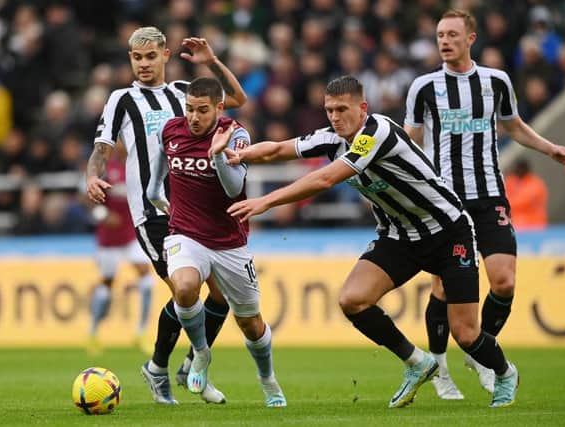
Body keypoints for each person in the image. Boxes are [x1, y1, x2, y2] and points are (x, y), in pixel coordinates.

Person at [222, 75, 518, 408]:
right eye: (329, 110)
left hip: (449, 233)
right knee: (352, 300)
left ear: (362, 108)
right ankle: (417, 362)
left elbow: (327, 178)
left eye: (342, 109)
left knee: (465, 333)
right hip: (401, 235)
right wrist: (240, 155)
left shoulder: (376, 133)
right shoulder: (330, 137)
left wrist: (266, 201)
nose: (334, 117)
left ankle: (505, 373)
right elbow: (278, 149)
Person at [403, 9, 565, 399]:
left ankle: (482, 354)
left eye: (452, 34)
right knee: (443, 289)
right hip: (445, 203)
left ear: (471, 38)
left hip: (489, 196)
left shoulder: (496, 81)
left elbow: (512, 125)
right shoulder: (424, 87)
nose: (444, 41)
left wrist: (550, 149)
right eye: (439, 35)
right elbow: (410, 140)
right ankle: (441, 370)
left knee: (504, 281)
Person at [85, 26, 247, 405]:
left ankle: (186, 364)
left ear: (165, 55)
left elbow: (237, 98)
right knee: (184, 289)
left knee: (223, 296)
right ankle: (162, 369)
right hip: (152, 213)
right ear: (131, 60)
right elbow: (102, 147)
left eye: (150, 56)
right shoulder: (121, 99)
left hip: (196, 209)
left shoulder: (182, 94)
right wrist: (92, 174)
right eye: (136, 58)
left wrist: (213, 64)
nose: (143, 64)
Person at [146, 76, 286, 407]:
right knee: (183, 288)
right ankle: (201, 353)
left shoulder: (236, 135)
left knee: (251, 323)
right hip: (185, 233)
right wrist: (156, 197)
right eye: (189, 109)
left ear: (219, 108)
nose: (194, 117)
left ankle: (267, 379)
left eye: (202, 110)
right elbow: (157, 176)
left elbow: (232, 187)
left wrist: (218, 155)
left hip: (229, 242)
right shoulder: (171, 130)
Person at [87, 142, 154, 356]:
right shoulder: (106, 168)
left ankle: (141, 333)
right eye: (119, 140)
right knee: (107, 283)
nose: (122, 144)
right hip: (108, 239)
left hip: (131, 235)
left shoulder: (137, 166)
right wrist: (103, 216)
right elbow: (87, 200)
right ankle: (93, 333)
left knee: (147, 278)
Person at [504, 158, 548, 231]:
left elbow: (522, 201)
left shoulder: (536, 183)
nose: (517, 171)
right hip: (514, 227)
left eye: (519, 168)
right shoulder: (509, 181)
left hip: (535, 226)